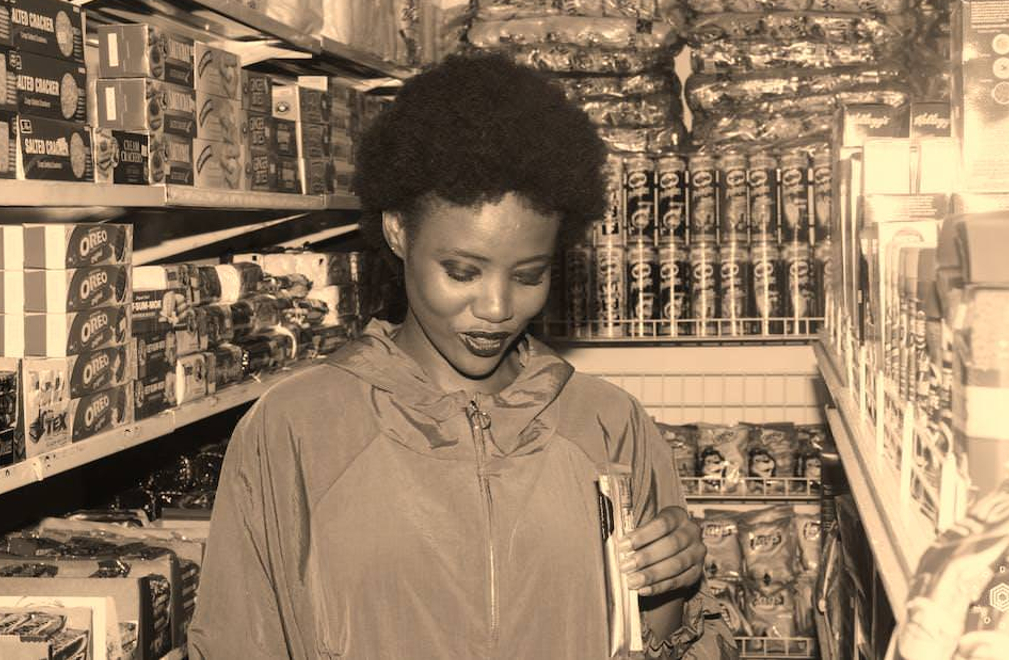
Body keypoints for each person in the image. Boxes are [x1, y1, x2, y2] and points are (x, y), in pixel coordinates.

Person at [189, 54, 736, 659]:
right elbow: (239, 639)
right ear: (398, 231)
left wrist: (672, 586)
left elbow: (648, 644)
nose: (498, 307)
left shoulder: (608, 424)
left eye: (529, 274)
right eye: (462, 271)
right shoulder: (295, 428)